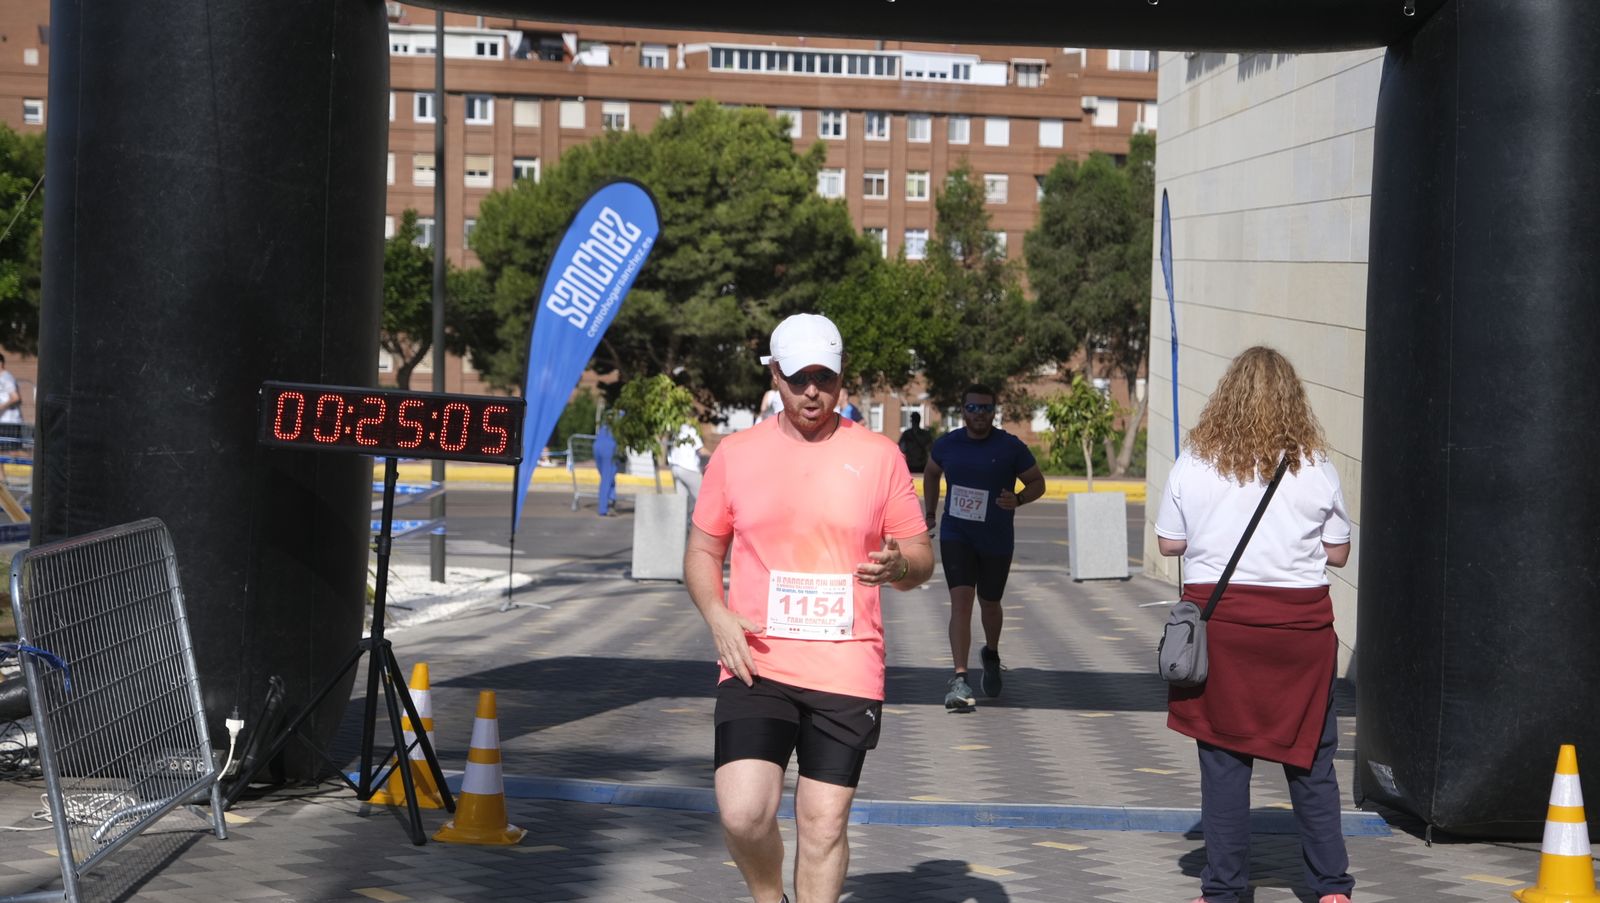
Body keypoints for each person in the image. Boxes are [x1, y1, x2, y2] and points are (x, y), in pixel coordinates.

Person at [685, 312, 933, 903]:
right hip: (757, 660)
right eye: (799, 378)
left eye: (825, 376)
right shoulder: (736, 454)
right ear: (775, 376)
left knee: (822, 826)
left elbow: (921, 558)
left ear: (842, 376)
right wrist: (717, 616)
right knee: (744, 813)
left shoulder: (879, 456)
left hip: (846, 666)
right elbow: (701, 551)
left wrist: (899, 567)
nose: (813, 391)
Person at [1154, 346, 1354, 903]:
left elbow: (1169, 542)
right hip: (1299, 634)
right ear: (1294, 401)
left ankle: (1224, 890)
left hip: (1222, 632)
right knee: (1312, 759)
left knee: (1223, 762)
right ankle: (1330, 888)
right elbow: (1337, 555)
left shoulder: (1194, 461)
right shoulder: (1316, 467)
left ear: (1226, 396)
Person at [923, 384, 1044, 710]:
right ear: (963, 411)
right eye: (973, 408)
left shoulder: (1009, 446)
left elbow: (1038, 482)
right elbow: (932, 472)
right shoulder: (948, 444)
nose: (979, 414)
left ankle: (990, 652)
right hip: (956, 535)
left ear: (994, 411)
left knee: (990, 603)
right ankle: (959, 678)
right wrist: (931, 512)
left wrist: (1017, 499)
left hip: (996, 538)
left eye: (986, 408)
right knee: (961, 602)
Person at [667, 421, 706, 514]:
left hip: (675, 468)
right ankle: (703, 525)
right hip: (688, 468)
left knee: (681, 501)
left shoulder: (677, 429)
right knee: (703, 499)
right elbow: (701, 450)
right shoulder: (691, 431)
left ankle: (681, 524)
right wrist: (716, 454)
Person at [593, 421, 619, 516]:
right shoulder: (625, 417)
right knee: (607, 479)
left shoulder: (610, 416)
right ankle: (604, 508)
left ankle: (611, 499)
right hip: (610, 447)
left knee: (608, 477)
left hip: (597, 445)